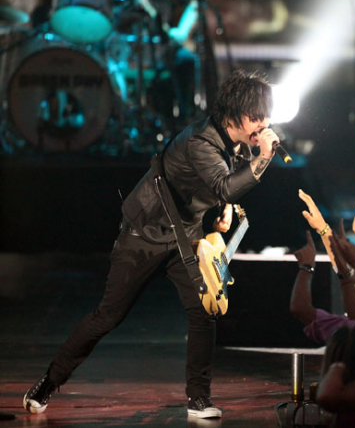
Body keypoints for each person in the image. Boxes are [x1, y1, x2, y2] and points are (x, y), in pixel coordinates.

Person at [23, 70, 281, 419]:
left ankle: (198, 399)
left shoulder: (232, 142)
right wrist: (262, 158)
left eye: (266, 116)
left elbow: (221, 188)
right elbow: (226, 185)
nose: (263, 125)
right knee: (108, 316)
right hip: (143, 234)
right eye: (257, 117)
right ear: (234, 113)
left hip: (183, 234)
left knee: (204, 310)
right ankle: (48, 382)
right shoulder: (200, 141)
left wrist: (225, 209)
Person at [93, 0, 212, 131]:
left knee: (188, 61)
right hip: (117, 46)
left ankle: (183, 125)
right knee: (97, 63)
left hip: (160, 45)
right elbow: (95, 8)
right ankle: (110, 123)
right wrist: (117, 19)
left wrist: (182, 32)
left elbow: (194, 2)